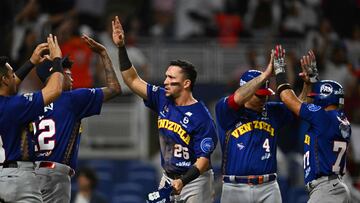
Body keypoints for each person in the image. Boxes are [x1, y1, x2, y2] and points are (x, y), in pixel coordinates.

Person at [112, 16, 217, 202]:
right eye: (166, 76)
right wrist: (121, 48)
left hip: (195, 181)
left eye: (171, 78)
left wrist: (183, 181)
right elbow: (132, 80)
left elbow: (203, 160)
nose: (166, 81)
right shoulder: (162, 97)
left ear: (186, 83)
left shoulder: (202, 117)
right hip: (169, 178)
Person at [29, 35, 121, 203]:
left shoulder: (30, 101)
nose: (70, 74)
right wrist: (103, 53)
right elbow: (114, 88)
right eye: (64, 71)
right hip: (56, 174)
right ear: (53, 75)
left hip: (29, 174)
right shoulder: (72, 99)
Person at [215, 49, 303, 203]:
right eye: (259, 95)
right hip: (235, 187)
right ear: (247, 91)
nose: (264, 98)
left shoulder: (272, 110)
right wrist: (265, 74)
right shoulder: (225, 110)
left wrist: (308, 85)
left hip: (268, 187)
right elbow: (236, 98)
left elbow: (300, 108)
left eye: (265, 94)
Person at [273, 45, 351, 203]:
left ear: (325, 98)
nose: (315, 98)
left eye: (318, 96)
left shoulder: (323, 116)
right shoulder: (340, 120)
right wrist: (312, 81)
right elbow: (309, 103)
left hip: (326, 190)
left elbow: (288, 98)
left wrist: (279, 69)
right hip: (336, 187)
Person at [0, 34, 64, 202]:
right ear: (4, 79)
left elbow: (9, 85)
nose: (15, 77)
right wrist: (57, 60)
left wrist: (31, 62)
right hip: (19, 177)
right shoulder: (15, 105)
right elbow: (55, 90)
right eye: (12, 74)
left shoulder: (9, 103)